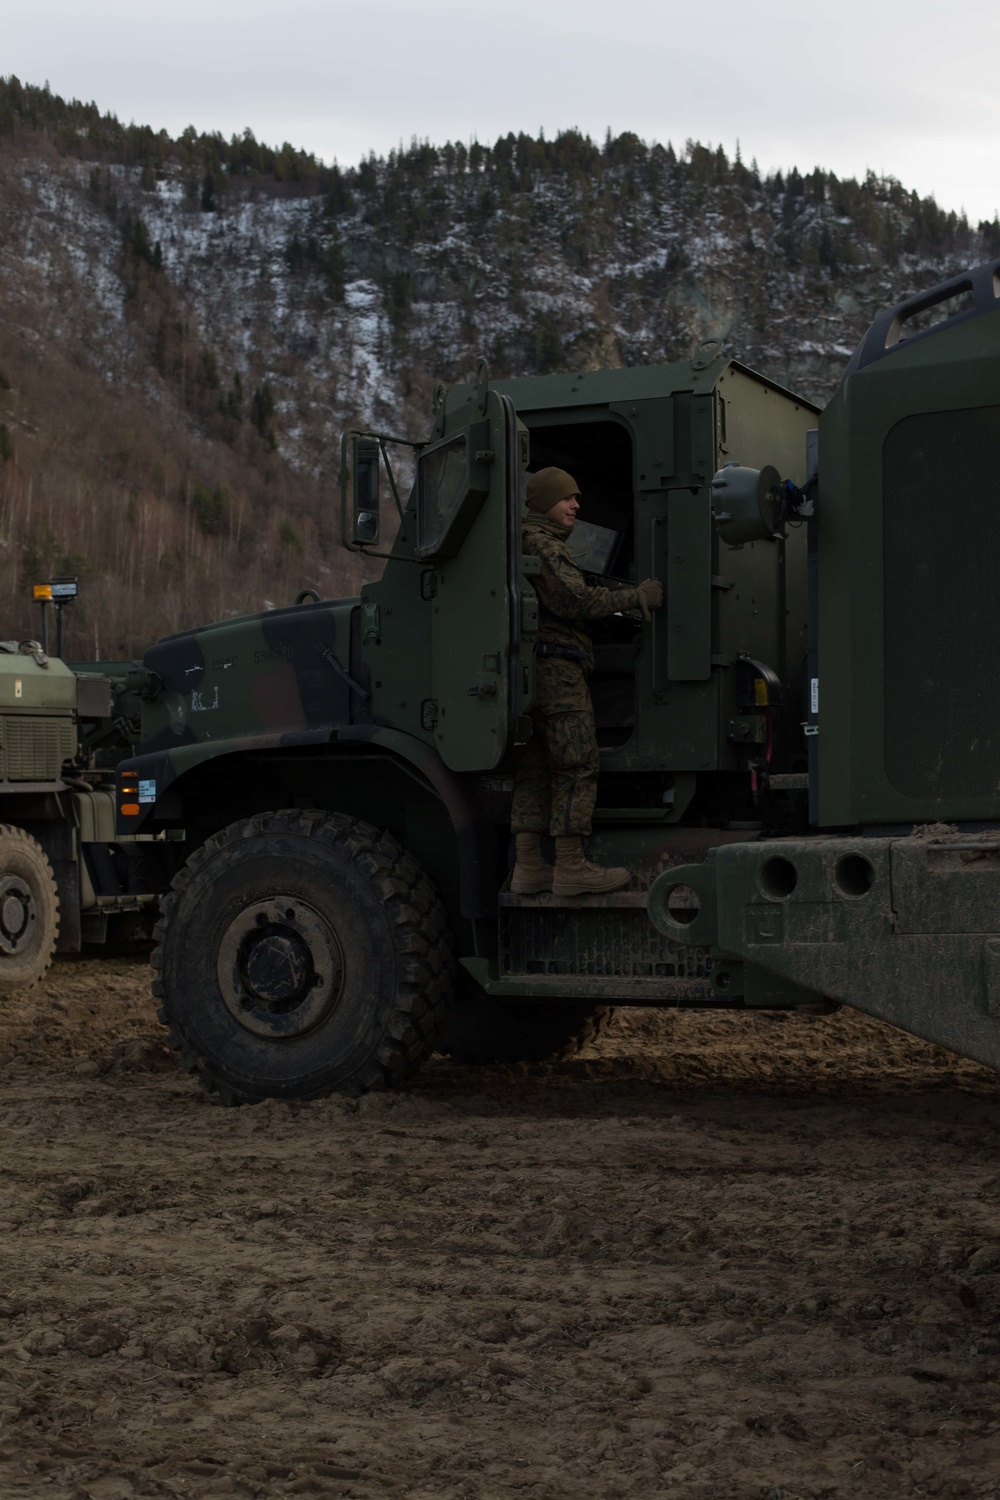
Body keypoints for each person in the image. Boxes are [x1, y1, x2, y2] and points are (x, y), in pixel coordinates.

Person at [511, 466, 663, 897]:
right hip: (557, 669)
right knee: (576, 764)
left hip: (533, 670)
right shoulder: (542, 544)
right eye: (566, 499)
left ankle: (528, 867)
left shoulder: (524, 540)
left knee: (536, 767)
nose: (575, 505)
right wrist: (636, 596)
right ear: (545, 504)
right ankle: (572, 867)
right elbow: (574, 601)